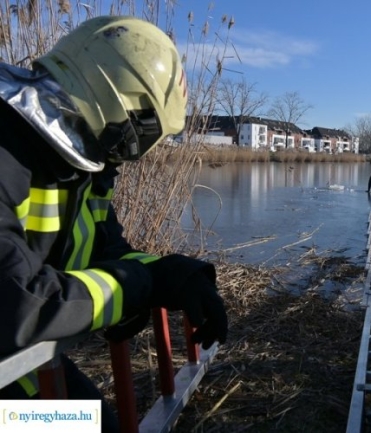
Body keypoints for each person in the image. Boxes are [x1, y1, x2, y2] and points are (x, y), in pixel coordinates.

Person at [0, 16, 228, 432]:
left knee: (91, 420)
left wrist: (172, 275)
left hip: (11, 365)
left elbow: (105, 248)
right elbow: (16, 303)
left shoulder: (74, 164)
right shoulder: (6, 150)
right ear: (130, 118)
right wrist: (135, 285)